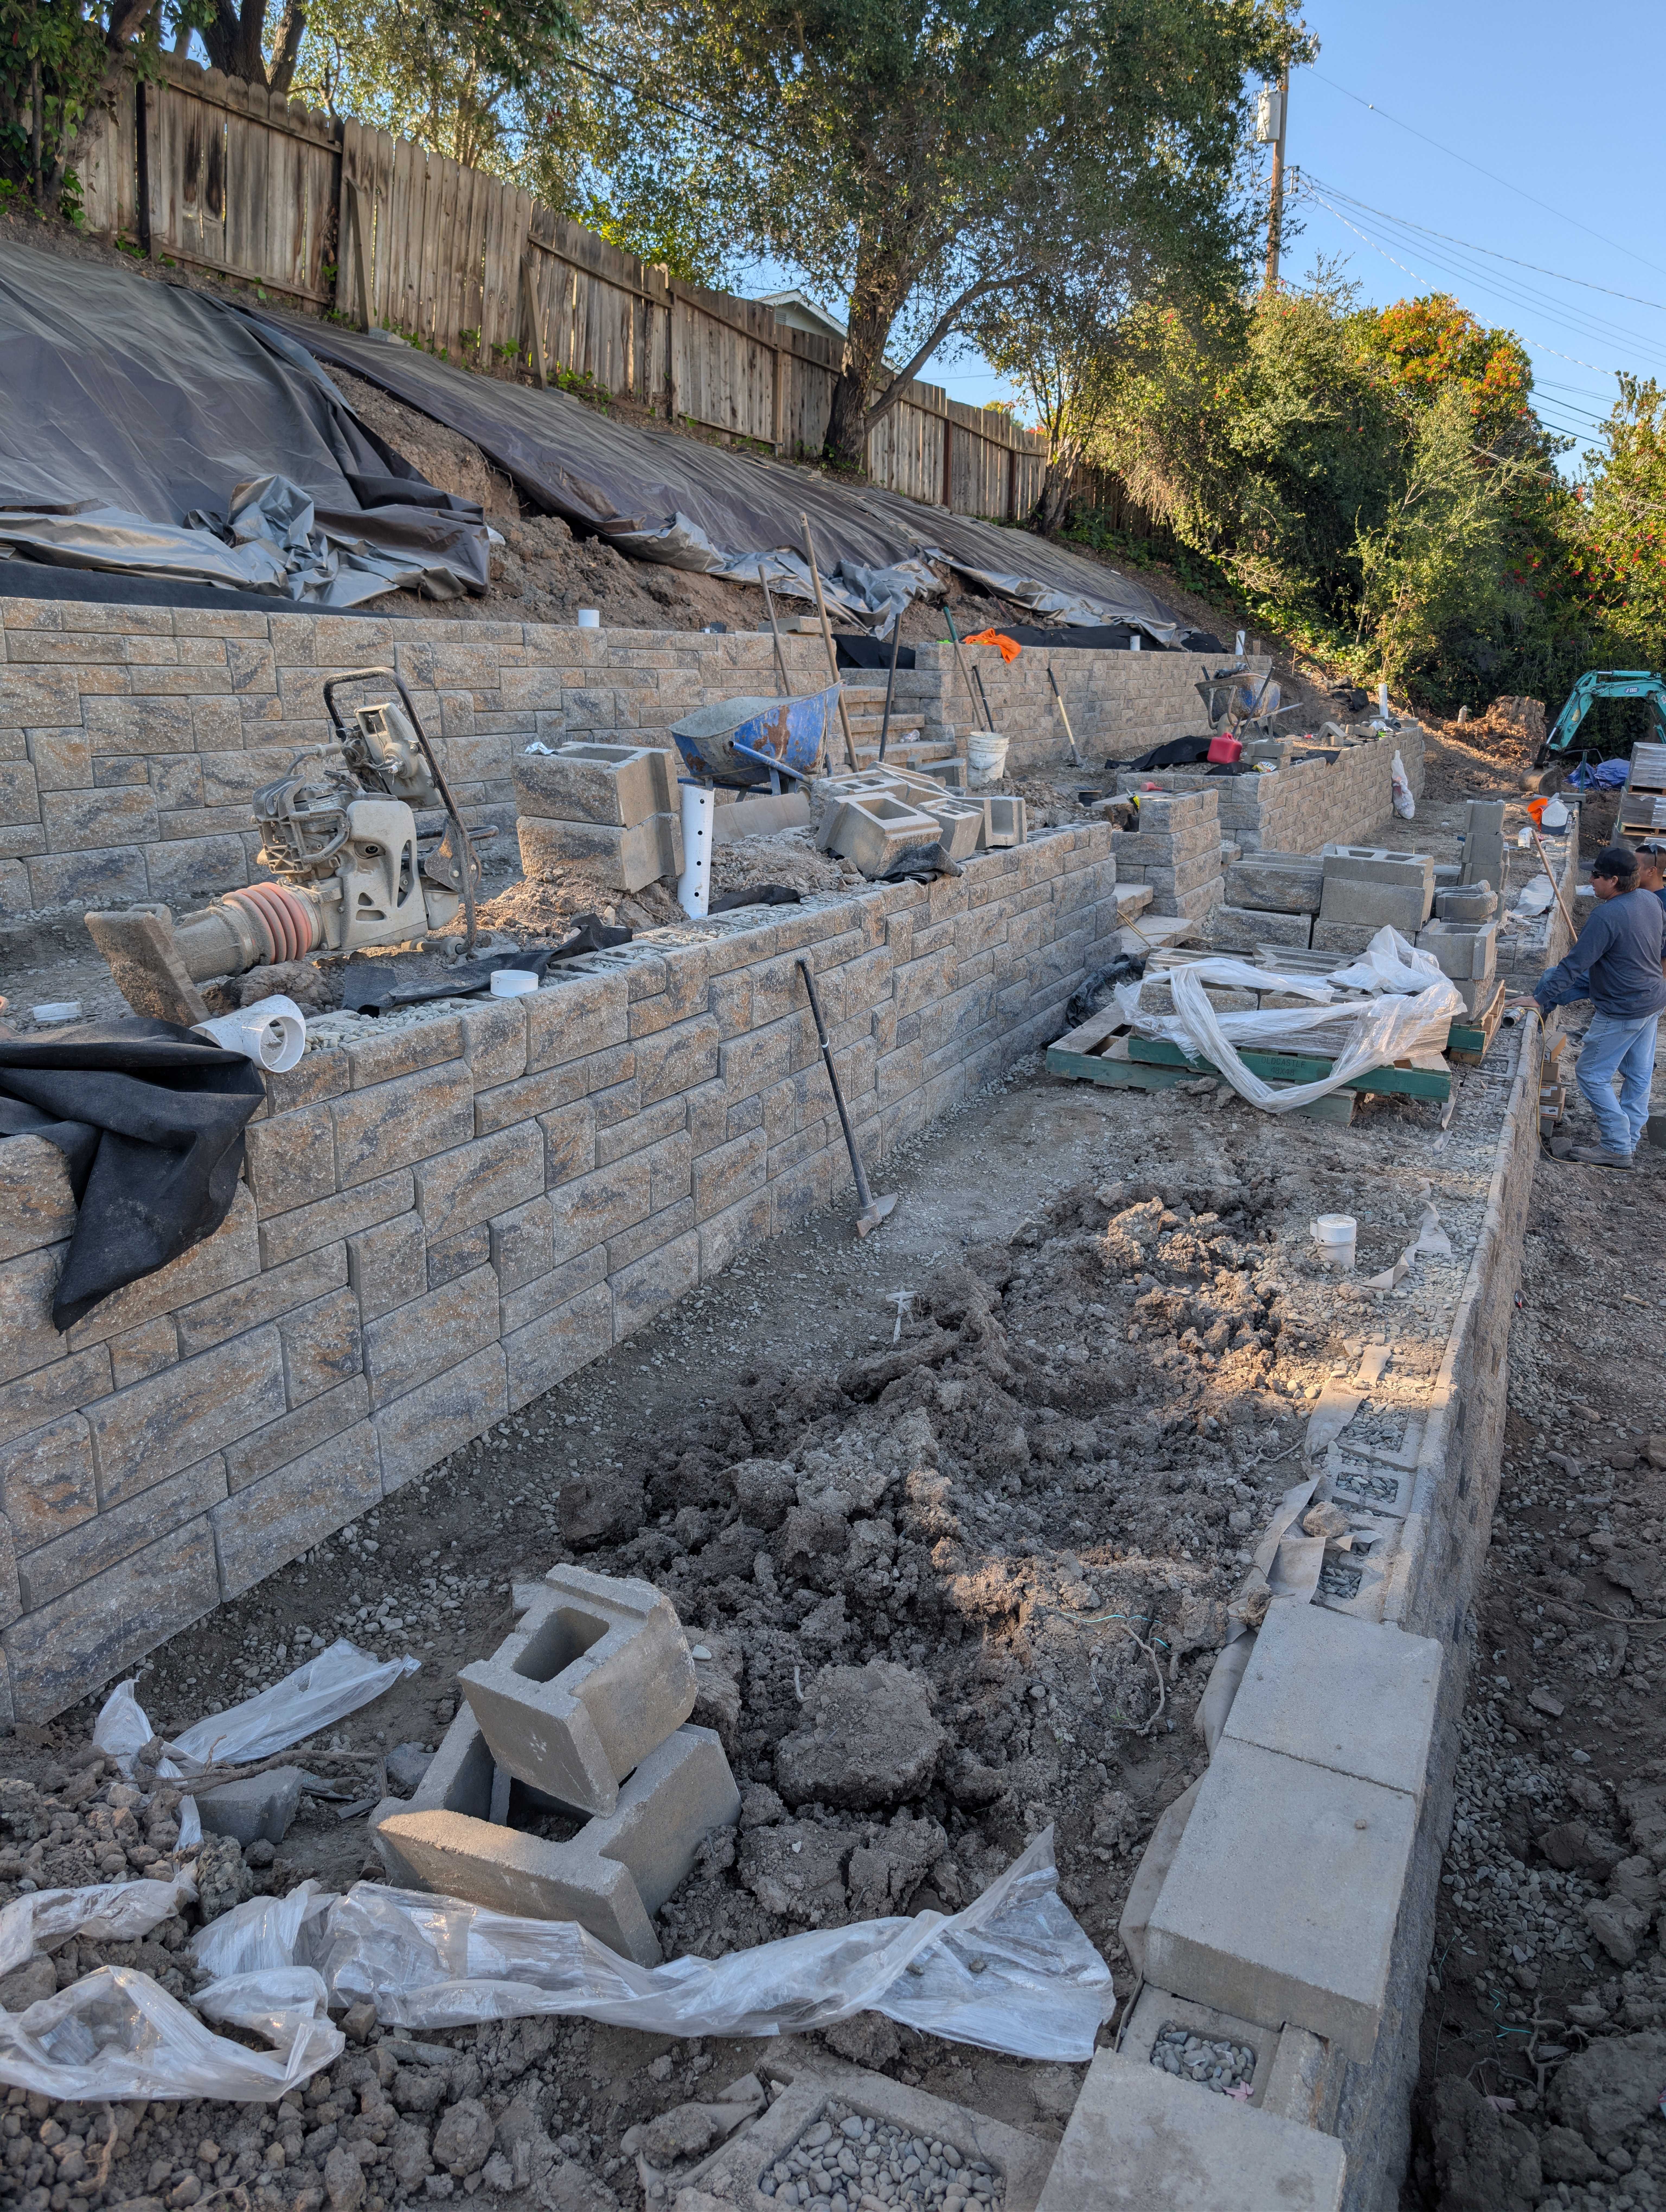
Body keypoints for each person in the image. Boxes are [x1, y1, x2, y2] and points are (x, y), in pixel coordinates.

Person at [1513, 844, 1666, 1168]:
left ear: (1614, 880)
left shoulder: (1607, 915)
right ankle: (1630, 1139)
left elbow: (1573, 966)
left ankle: (1616, 1146)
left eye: (1596, 877)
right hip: (1653, 999)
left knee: (1592, 1073)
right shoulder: (1650, 900)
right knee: (1639, 1076)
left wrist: (1539, 999)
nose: (1592, 882)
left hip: (1624, 1008)